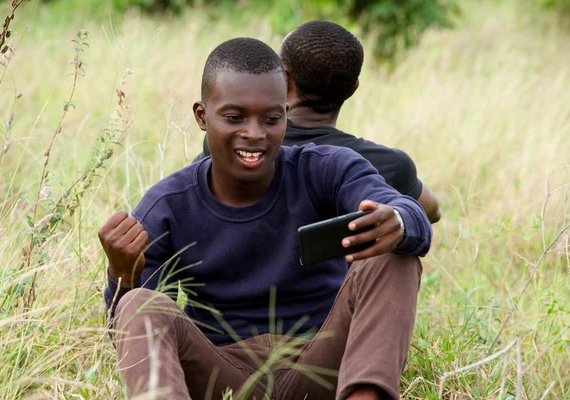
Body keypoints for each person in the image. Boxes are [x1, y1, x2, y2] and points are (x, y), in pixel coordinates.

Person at [101, 38, 432, 400]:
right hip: (221, 376)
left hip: (322, 364)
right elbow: (131, 333)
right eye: (234, 117)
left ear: (287, 114)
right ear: (201, 115)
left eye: (272, 119)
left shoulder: (327, 168)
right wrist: (122, 274)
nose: (255, 134)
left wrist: (397, 220)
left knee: (394, 249)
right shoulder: (169, 205)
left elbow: (409, 212)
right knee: (138, 304)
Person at [195, 21, 441, 224]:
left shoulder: (231, 144)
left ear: (284, 81)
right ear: (353, 89)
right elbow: (431, 212)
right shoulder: (388, 165)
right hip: (349, 283)